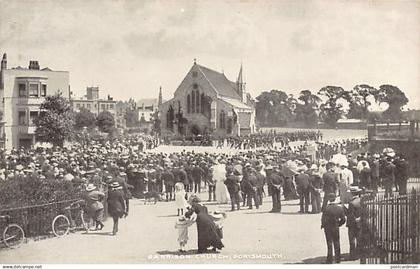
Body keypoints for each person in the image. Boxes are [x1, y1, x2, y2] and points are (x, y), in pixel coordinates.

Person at [321, 193, 346, 264]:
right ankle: (338, 258)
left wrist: (323, 225)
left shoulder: (326, 208)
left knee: (329, 243)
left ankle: (329, 259)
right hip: (335, 227)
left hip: (328, 228)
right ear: (335, 198)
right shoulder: (339, 208)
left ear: (329, 199)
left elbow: (323, 219)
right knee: (337, 242)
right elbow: (343, 219)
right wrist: (338, 224)